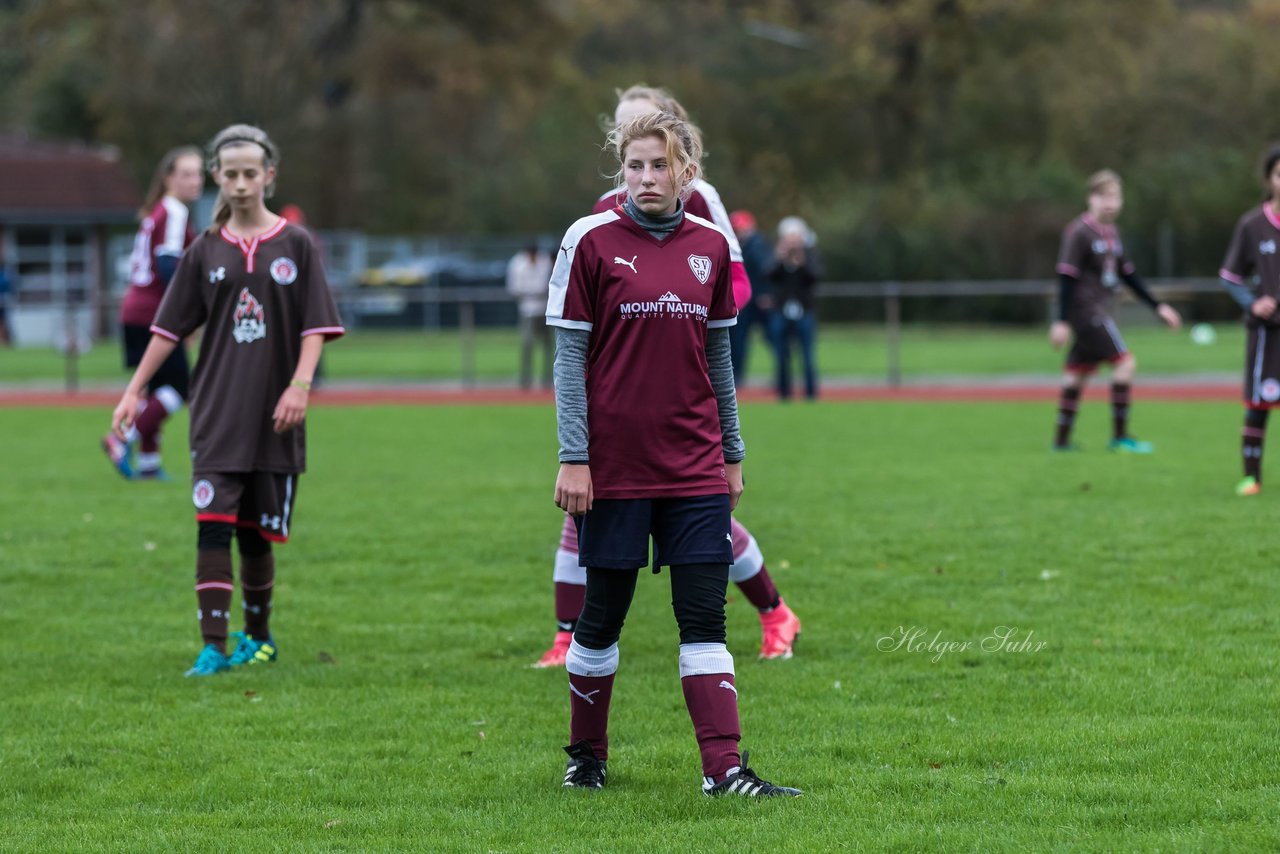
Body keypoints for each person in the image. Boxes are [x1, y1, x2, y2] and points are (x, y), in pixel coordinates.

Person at [547, 109, 800, 797]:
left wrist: (733, 451)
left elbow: (718, 356)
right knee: (601, 617)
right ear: (619, 169)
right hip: (615, 468)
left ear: (687, 169)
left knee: (704, 617)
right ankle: (586, 757)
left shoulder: (712, 246)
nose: (647, 178)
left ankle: (723, 771)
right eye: (635, 165)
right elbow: (569, 359)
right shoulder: (589, 241)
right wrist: (575, 456)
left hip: (695, 465)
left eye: (660, 165)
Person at [110, 124, 344, 677]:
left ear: (269, 175)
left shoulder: (297, 244)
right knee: (211, 524)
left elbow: (317, 325)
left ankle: (258, 637)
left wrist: (300, 385)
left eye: (250, 173)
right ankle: (213, 645)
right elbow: (167, 329)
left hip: (276, 416)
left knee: (254, 533)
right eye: (229, 173)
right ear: (216, 176)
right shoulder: (204, 249)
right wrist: (133, 388)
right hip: (216, 412)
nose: (240, 184)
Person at [1050, 170, 1181, 452]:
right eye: (1102, 196)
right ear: (1090, 199)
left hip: (1098, 310)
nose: (1109, 202)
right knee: (1125, 363)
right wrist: (1061, 320)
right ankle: (1120, 438)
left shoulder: (1112, 233)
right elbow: (1066, 276)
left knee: (1077, 373)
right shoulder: (1079, 232)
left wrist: (1158, 307)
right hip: (1087, 311)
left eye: (1115, 196)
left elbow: (1128, 276)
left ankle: (1060, 442)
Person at [102, 146, 205, 479]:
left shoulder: (158, 211)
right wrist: (188, 314)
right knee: (178, 389)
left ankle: (149, 465)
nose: (195, 180)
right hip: (153, 313)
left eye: (199, 173)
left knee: (155, 391)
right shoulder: (173, 211)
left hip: (136, 310)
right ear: (169, 178)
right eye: (186, 173)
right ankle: (122, 438)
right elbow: (168, 265)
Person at [1218, 145, 1280, 495]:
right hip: (1267, 334)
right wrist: (1253, 303)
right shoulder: (1252, 225)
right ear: (1270, 179)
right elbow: (1229, 276)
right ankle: (1251, 477)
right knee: (1259, 403)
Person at [767, 216, 821, 401]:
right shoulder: (778, 255)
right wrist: (779, 257)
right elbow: (767, 274)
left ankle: (811, 394)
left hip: (805, 310)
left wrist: (802, 262)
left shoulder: (810, 255)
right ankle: (783, 393)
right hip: (780, 310)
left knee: (807, 355)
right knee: (781, 354)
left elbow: (816, 276)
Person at [727, 209, 775, 385]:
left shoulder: (758, 245)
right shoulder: (736, 246)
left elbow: (766, 271)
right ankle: (737, 376)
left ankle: (782, 376)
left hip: (759, 300)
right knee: (738, 340)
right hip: (744, 301)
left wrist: (766, 293)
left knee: (772, 337)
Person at [506, 242, 553, 389]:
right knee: (527, 345)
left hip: (545, 309)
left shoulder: (545, 262)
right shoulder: (517, 264)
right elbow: (514, 288)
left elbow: (550, 284)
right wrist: (533, 292)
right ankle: (525, 379)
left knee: (548, 345)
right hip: (527, 309)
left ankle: (548, 378)